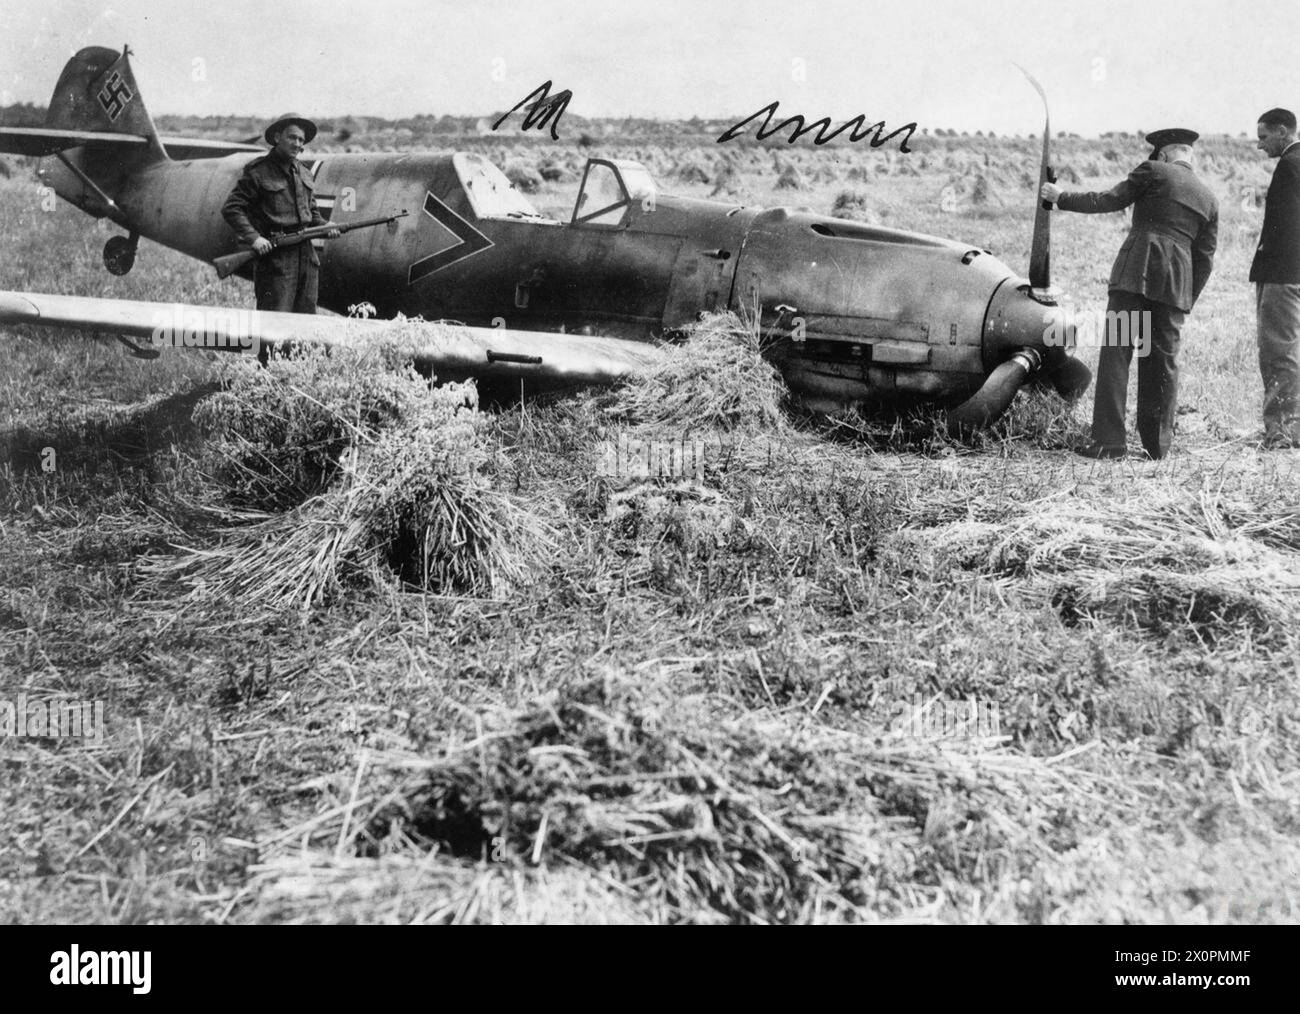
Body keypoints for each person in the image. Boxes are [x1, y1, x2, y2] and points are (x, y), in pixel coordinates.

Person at [1041, 128, 1218, 460]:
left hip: (1135, 274)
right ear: (1188, 153)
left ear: (1163, 153)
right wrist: (1185, 298)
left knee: (1117, 352)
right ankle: (1158, 446)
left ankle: (1109, 443)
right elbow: (1205, 259)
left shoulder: (1153, 170)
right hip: (1175, 288)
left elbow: (1108, 200)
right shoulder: (1209, 197)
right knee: (1163, 361)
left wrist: (1060, 197)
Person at [221, 113, 339, 316]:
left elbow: (311, 214)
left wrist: (326, 226)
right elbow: (232, 208)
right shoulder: (259, 171)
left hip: (306, 258)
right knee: (274, 322)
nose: (297, 144)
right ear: (277, 138)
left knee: (306, 320)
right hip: (276, 260)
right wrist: (254, 238)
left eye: (301, 140)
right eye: (292, 137)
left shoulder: (304, 173)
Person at [1249, 108, 1300, 449]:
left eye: (1264, 137)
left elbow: (1284, 227)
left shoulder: (1289, 165)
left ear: (1283, 131)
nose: (1259, 145)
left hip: (1283, 274)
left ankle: (1282, 432)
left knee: (1278, 352)